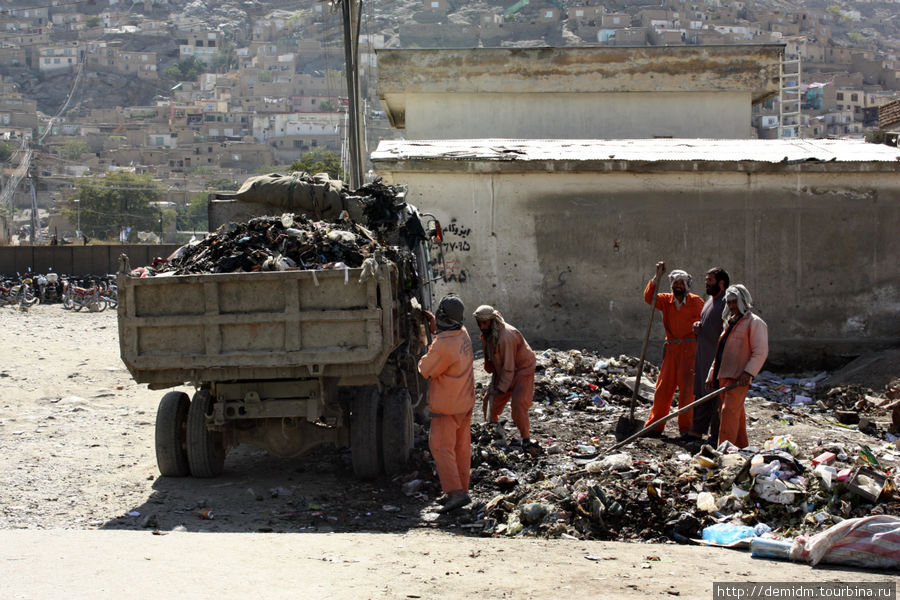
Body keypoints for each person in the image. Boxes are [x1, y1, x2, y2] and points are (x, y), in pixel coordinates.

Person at [417, 294, 476, 513]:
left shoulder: (442, 345)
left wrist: (430, 345)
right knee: (460, 448)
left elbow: (425, 369)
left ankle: (455, 493)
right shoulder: (463, 333)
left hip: (446, 406)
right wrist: (435, 329)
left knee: (441, 447)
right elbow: (447, 338)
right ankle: (461, 489)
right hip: (465, 402)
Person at [643, 262, 704, 436]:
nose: (678, 286)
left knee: (687, 392)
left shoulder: (696, 302)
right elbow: (649, 297)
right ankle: (654, 426)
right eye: (675, 283)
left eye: (681, 283)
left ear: (687, 285)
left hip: (690, 350)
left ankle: (686, 429)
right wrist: (657, 276)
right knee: (663, 390)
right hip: (671, 349)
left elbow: (705, 324)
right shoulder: (665, 300)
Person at [706, 284, 768, 449]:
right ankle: (741, 448)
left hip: (739, 378)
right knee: (734, 414)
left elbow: (760, 352)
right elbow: (720, 354)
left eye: (734, 302)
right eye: (729, 303)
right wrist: (711, 375)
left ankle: (724, 451)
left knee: (728, 414)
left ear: (743, 302)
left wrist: (748, 372)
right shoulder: (730, 324)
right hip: (724, 377)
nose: (732, 306)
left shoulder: (754, 323)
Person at [473, 304, 537, 447]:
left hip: (522, 370)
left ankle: (526, 439)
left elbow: (509, 367)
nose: (482, 326)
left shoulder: (506, 336)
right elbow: (494, 360)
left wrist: (502, 388)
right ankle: (495, 432)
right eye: (479, 323)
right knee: (489, 402)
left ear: (492, 320)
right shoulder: (488, 333)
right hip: (503, 370)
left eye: (485, 322)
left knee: (518, 405)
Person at [685, 267, 730, 443]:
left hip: (718, 360)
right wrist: (698, 327)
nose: (706, 283)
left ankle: (716, 436)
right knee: (702, 394)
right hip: (703, 357)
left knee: (717, 398)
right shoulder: (709, 302)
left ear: (721, 283)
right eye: (706, 280)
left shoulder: (727, 303)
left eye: (710, 280)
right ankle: (696, 431)